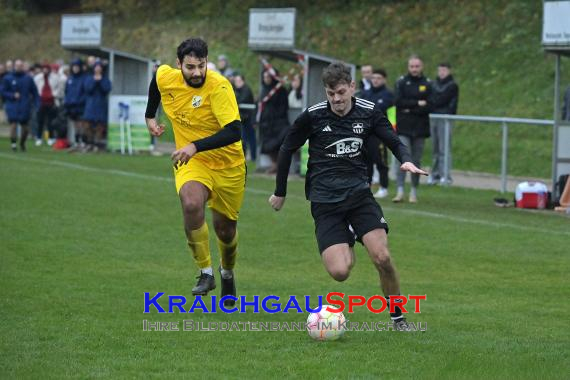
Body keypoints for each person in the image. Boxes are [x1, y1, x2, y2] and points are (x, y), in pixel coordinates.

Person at [268, 62, 427, 330]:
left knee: (382, 257)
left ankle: (398, 319)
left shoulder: (369, 112)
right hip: (325, 201)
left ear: (352, 87)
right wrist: (280, 192)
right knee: (340, 272)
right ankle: (349, 236)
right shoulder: (313, 116)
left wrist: (407, 160)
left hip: (359, 196)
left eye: (341, 92)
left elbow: (393, 140)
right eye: (331, 94)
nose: (336, 99)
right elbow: (286, 148)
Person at [144, 38, 245, 305]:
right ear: (179, 65)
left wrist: (194, 146)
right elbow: (156, 81)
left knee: (225, 231)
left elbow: (235, 131)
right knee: (190, 203)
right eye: (190, 67)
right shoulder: (168, 77)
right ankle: (205, 272)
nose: (197, 72)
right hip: (194, 163)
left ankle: (227, 271)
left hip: (229, 167)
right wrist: (150, 116)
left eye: (201, 65)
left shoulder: (220, 87)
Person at [393, 55, 433, 203]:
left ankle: (414, 192)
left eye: (417, 66)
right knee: (403, 159)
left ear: (421, 67)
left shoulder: (427, 83)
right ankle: (400, 191)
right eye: (412, 66)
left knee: (416, 160)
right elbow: (398, 101)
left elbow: (430, 104)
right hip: (404, 127)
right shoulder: (402, 82)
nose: (414, 69)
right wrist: (417, 103)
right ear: (408, 67)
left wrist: (410, 108)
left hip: (420, 128)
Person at [362, 68, 394, 198]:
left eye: (378, 78)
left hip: (380, 133)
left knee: (381, 161)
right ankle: (367, 186)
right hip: (366, 132)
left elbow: (383, 111)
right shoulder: (366, 93)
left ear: (384, 79)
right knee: (366, 161)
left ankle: (383, 187)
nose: (375, 80)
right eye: (373, 78)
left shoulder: (388, 95)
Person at [429, 62, 459, 185]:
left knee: (444, 148)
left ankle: (445, 175)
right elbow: (430, 98)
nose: (441, 73)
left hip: (445, 118)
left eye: (444, 70)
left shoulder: (452, 85)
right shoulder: (434, 84)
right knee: (435, 148)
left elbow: (442, 100)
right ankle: (435, 174)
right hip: (434, 117)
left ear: (449, 71)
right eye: (440, 70)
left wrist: (434, 102)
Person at [1, 59, 39, 151]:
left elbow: (34, 92)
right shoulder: (8, 78)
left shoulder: (28, 78)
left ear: (23, 67)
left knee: (25, 128)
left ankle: (22, 142)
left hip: (24, 105)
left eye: (20, 65)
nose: (19, 67)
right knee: (13, 124)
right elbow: (2, 91)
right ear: (14, 66)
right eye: (17, 65)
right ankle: (13, 144)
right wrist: (12, 95)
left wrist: (37, 103)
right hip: (12, 105)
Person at [258, 68, 289, 174]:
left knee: (281, 140)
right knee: (267, 144)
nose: (266, 79)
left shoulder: (281, 90)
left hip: (279, 122)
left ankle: (279, 165)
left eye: (268, 76)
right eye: (264, 77)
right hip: (266, 123)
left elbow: (283, 107)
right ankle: (274, 164)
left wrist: (275, 116)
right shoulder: (264, 89)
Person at [82, 60, 111, 151]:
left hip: (101, 105)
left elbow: (107, 89)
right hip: (90, 105)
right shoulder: (89, 78)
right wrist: (95, 81)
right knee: (88, 126)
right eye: (96, 67)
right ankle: (89, 143)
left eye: (99, 67)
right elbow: (87, 89)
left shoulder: (105, 79)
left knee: (100, 126)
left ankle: (97, 144)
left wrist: (100, 81)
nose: (98, 69)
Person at [34, 63, 62, 146]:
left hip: (51, 102)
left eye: (47, 69)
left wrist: (53, 95)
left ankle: (51, 137)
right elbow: (35, 89)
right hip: (41, 102)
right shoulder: (38, 78)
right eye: (44, 69)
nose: (45, 71)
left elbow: (59, 88)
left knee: (50, 122)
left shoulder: (55, 78)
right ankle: (39, 137)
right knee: (40, 121)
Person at [233, 73, 256, 161]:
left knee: (250, 139)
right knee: (243, 138)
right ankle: (244, 156)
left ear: (243, 81)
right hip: (242, 118)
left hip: (249, 118)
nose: (237, 83)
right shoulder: (236, 90)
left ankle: (253, 157)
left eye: (239, 81)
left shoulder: (246, 89)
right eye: (236, 81)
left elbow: (241, 100)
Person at [64, 58, 86, 150]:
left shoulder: (84, 78)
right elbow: (67, 91)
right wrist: (67, 102)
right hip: (71, 106)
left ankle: (83, 141)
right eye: (74, 67)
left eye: (77, 67)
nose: (75, 69)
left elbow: (85, 92)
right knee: (75, 124)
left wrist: (80, 101)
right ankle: (76, 141)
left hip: (80, 105)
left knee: (81, 123)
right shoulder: (70, 79)